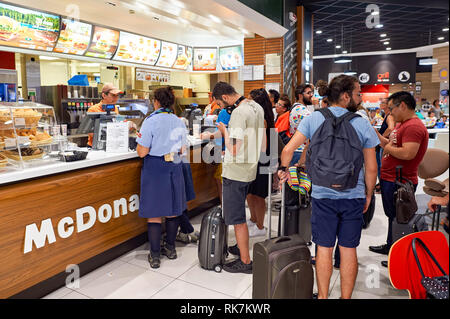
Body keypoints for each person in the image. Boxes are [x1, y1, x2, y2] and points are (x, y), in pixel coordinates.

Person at [279, 74, 379, 299]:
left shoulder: (313, 119)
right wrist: (369, 194)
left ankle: (323, 296)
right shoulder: (362, 123)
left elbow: (287, 151)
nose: (359, 97)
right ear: (345, 96)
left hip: (323, 194)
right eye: (357, 93)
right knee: (348, 249)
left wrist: (283, 170)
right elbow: (371, 167)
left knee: (323, 248)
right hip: (353, 194)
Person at [369, 91, 429, 268]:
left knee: (399, 218)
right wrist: (380, 139)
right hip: (392, 178)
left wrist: (388, 148)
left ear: (402, 105)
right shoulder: (403, 124)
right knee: (392, 216)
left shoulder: (413, 127)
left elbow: (408, 153)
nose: (390, 113)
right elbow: (392, 145)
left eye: (391, 108)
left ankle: (398, 255)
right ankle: (391, 246)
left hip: (400, 181)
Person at [214, 81, 265, 274]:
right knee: (239, 216)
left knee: (236, 218)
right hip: (250, 167)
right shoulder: (256, 106)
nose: (221, 107)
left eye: (219, 104)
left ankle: (245, 261)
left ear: (225, 98)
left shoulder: (237, 113)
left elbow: (233, 149)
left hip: (235, 171)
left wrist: (224, 131)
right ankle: (240, 247)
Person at [136, 86, 187, 269]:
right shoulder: (179, 121)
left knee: (155, 214)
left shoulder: (151, 121)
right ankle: (171, 249)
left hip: (155, 168)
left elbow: (142, 152)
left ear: (156, 101)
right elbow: (183, 148)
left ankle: (155, 255)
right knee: (173, 210)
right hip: (174, 165)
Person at [244, 88, 275, 238]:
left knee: (258, 194)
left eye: (250, 100)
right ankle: (253, 218)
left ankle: (260, 226)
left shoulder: (262, 118)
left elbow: (263, 145)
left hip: (262, 159)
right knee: (250, 192)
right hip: (254, 158)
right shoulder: (256, 116)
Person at [289, 84, 314, 166]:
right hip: (300, 151)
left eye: (311, 92)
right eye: (308, 93)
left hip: (298, 149)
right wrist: (316, 105)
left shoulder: (299, 108)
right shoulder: (300, 109)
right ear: (300, 96)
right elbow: (316, 123)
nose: (311, 95)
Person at [375, 98, 396, 193]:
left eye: (383, 102)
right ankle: (382, 185)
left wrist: (381, 136)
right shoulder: (386, 115)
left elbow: (391, 128)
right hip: (383, 144)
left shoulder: (390, 116)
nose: (380, 104)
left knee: (381, 166)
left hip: (384, 144)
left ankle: (383, 186)